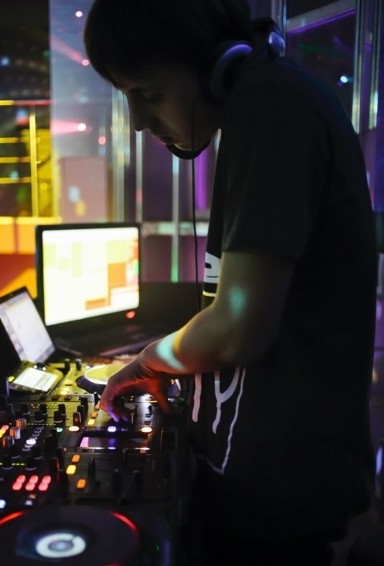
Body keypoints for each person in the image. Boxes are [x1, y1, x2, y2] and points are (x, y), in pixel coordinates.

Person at [83, 1, 377, 564]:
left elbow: (238, 327)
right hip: (265, 489)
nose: (138, 121)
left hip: (279, 499)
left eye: (148, 94)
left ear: (216, 66)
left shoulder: (272, 106)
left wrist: (148, 360)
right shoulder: (266, 103)